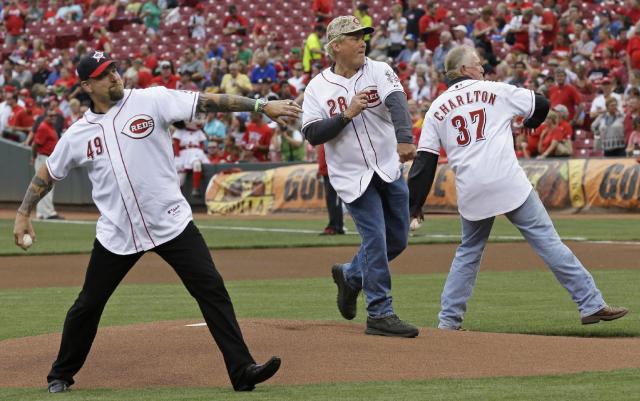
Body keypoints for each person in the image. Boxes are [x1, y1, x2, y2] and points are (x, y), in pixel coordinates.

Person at [12, 51, 302, 393]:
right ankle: (60, 374)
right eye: (105, 75)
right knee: (88, 306)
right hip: (117, 233)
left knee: (212, 290)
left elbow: (207, 102)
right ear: (87, 85)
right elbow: (49, 172)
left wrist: (259, 106)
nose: (115, 77)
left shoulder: (153, 100)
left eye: (115, 69)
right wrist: (23, 213)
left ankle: (242, 371)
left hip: (172, 223)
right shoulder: (78, 134)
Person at [407, 46, 628, 331]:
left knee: (469, 252)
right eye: (477, 63)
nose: (482, 67)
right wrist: (531, 122)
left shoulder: (436, 107)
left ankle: (448, 321)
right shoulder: (495, 90)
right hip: (507, 181)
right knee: (547, 241)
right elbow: (542, 102)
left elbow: (425, 161)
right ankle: (591, 303)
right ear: (463, 70)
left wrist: (415, 205)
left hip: (471, 187)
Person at [302, 16, 419, 338]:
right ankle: (380, 312)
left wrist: (405, 138)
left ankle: (351, 275)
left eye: (363, 35)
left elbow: (397, 103)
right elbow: (313, 134)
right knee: (376, 241)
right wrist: (345, 115)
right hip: (352, 176)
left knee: (397, 240)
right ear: (336, 46)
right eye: (354, 37)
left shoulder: (378, 69)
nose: (362, 41)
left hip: (387, 166)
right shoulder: (317, 87)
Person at [32, 109, 62, 220]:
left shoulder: (50, 127)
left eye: (54, 115)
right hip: (44, 158)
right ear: (45, 116)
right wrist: (34, 157)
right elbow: (35, 144)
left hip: (47, 158)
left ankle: (41, 213)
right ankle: (49, 213)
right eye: (50, 115)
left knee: (42, 186)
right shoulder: (43, 127)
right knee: (47, 186)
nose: (53, 117)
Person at [317, 144, 344, 235]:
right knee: (332, 200)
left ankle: (334, 226)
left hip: (333, 172)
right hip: (327, 171)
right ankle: (338, 226)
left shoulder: (329, 135)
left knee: (333, 200)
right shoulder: (324, 138)